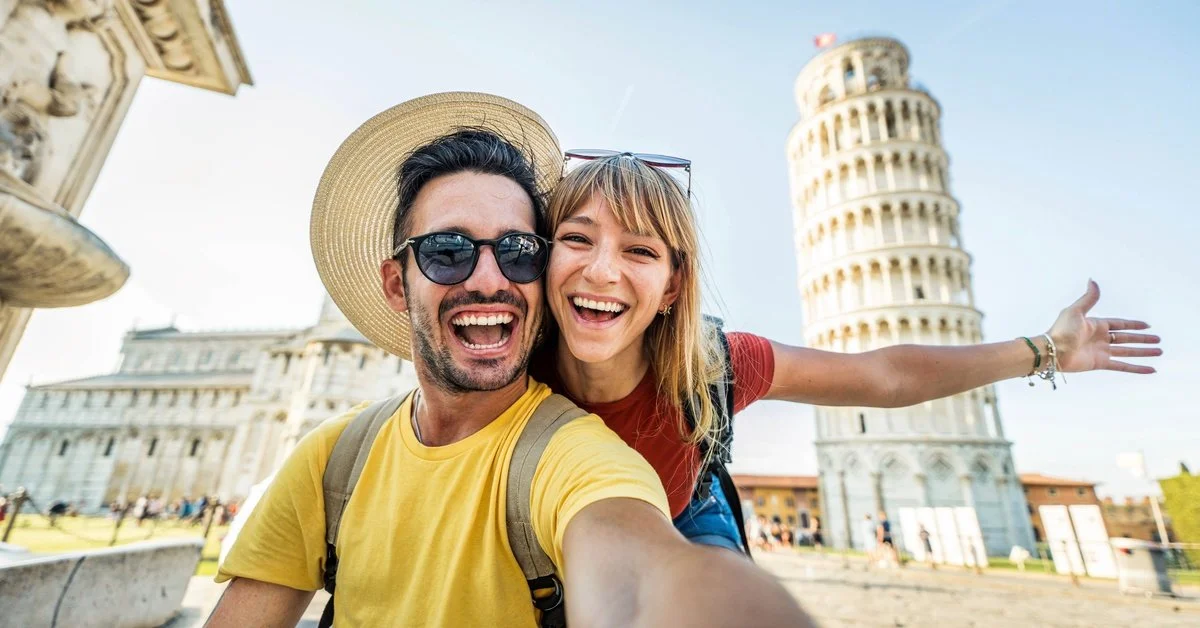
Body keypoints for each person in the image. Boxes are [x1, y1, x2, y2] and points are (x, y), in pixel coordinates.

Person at [208, 93, 810, 628]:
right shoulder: (332, 459)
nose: (491, 279)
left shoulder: (577, 454)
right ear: (397, 285)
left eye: (520, 252)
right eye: (449, 251)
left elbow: (640, 570)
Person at [535, 151, 1161, 555]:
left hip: (684, 517)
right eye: (576, 238)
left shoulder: (716, 366)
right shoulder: (514, 370)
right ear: (543, 254)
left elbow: (884, 376)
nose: (602, 270)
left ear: (674, 285)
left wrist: (1046, 349)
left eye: (640, 251)